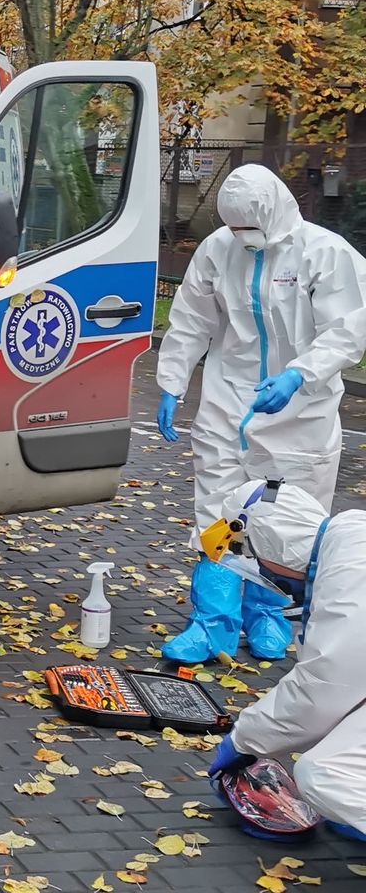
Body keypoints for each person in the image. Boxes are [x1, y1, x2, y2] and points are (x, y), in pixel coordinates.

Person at [155, 163, 366, 664]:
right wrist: (172, 380)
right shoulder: (217, 250)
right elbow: (190, 318)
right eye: (233, 228)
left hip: (301, 412)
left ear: (276, 214)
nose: (242, 238)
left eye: (249, 228)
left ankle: (269, 615)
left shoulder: (325, 253)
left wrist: (300, 373)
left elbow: (347, 330)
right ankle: (212, 625)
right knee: (216, 511)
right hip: (230, 399)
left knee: (287, 519)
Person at [207, 479, 366, 840]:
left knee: (327, 774)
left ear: (270, 542)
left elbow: (323, 690)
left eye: (255, 556)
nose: (263, 571)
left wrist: (243, 739)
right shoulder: (350, 538)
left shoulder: (348, 576)